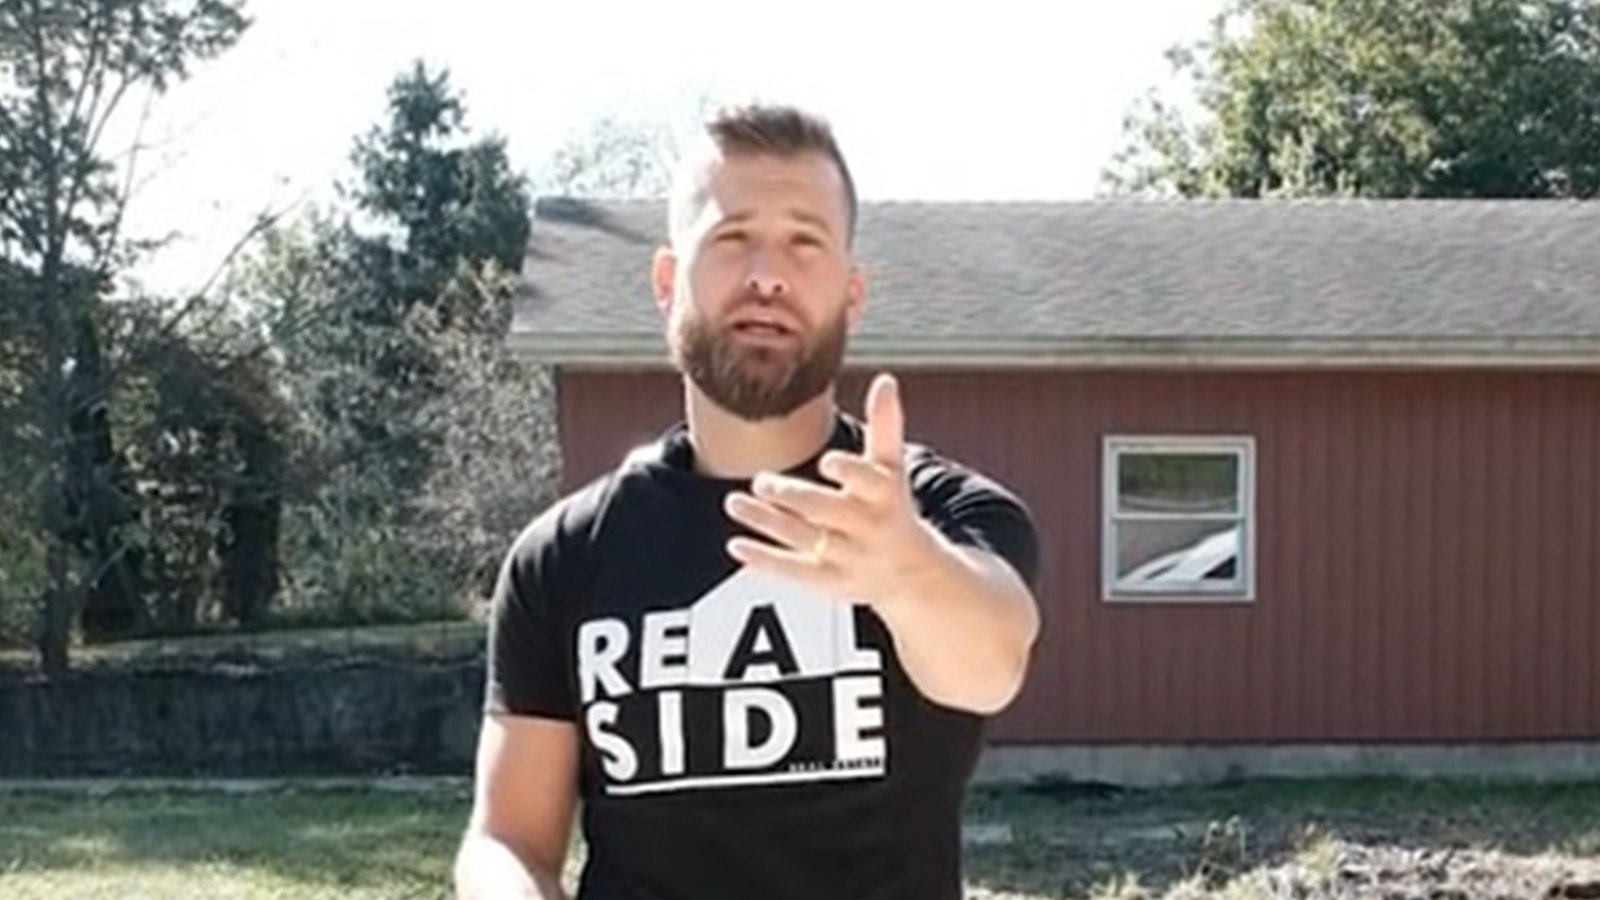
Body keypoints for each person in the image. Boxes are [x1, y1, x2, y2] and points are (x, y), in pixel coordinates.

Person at [453, 104, 1041, 900]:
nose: (768, 275)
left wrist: (905, 571)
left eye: (805, 242)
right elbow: (508, 839)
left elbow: (991, 665)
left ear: (852, 293)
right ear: (667, 282)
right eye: (732, 238)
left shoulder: (938, 515)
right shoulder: (564, 557)